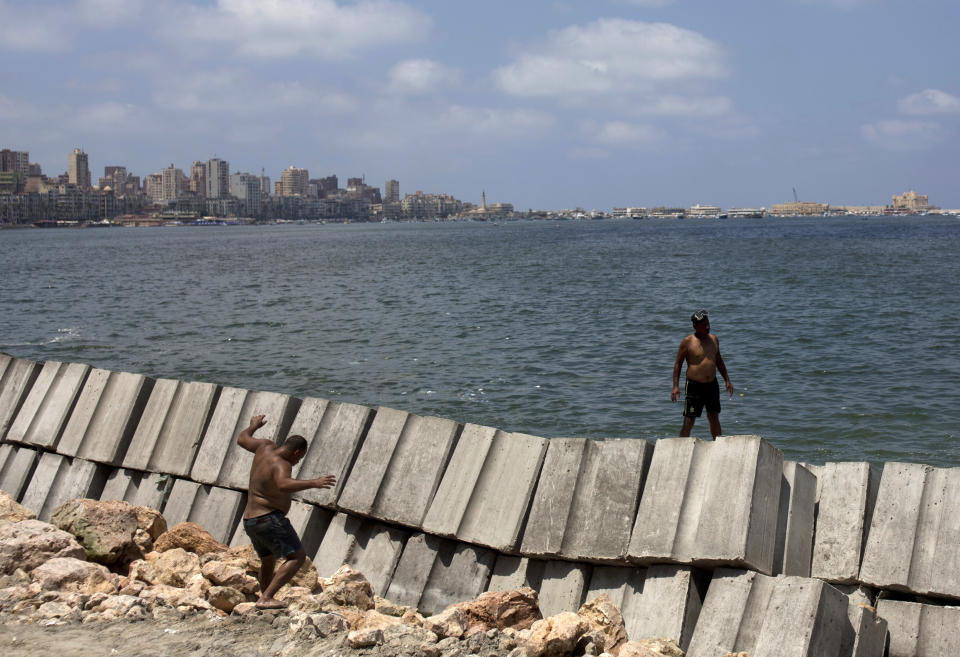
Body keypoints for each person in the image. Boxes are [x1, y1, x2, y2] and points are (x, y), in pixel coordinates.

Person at [237, 414, 336, 609]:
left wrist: (253, 426)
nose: (299, 460)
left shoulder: (264, 446)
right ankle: (267, 597)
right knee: (296, 557)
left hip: (250, 520)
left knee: (268, 559)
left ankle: (263, 598)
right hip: (268, 519)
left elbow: (242, 439)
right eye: (301, 456)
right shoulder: (283, 464)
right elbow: (283, 484)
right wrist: (314, 483)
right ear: (296, 452)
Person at [670, 309, 734, 439]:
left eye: (708, 323)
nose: (707, 327)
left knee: (714, 417)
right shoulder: (687, 342)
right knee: (689, 420)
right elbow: (678, 364)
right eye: (704, 325)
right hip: (694, 386)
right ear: (695, 326)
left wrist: (727, 380)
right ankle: (681, 446)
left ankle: (717, 445)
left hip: (711, 385)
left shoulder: (714, 339)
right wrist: (675, 386)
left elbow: (719, 361)